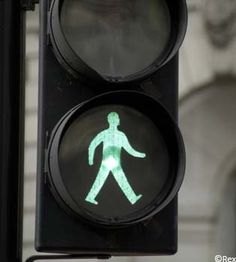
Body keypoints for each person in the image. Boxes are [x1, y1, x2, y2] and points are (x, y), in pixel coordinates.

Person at [85, 112, 146, 205]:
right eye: (113, 119)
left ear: (118, 121)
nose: (114, 121)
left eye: (116, 119)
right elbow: (93, 144)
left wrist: (140, 155)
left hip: (114, 163)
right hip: (108, 162)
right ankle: (132, 198)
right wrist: (90, 159)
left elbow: (129, 149)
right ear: (110, 121)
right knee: (117, 180)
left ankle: (90, 197)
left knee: (117, 180)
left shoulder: (120, 135)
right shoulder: (106, 134)